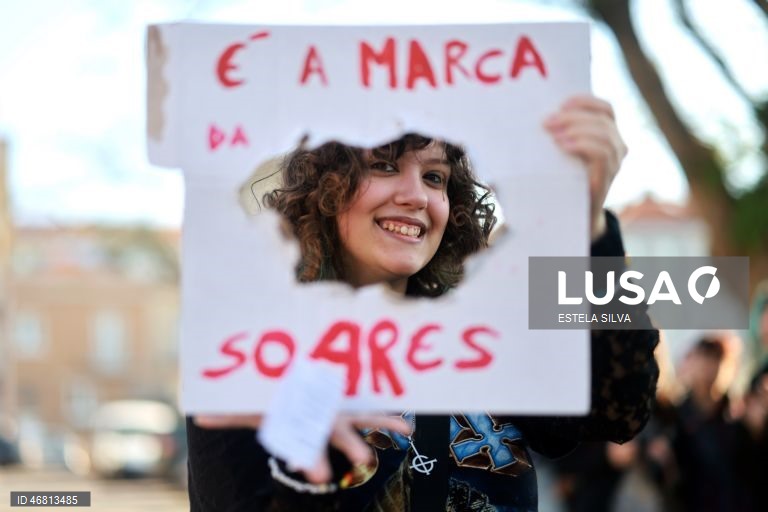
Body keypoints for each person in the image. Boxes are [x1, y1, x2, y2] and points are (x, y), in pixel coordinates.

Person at [185, 95, 660, 511]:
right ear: (325, 187)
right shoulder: (254, 350)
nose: (416, 196)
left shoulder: (485, 335)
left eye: (435, 177)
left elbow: (618, 411)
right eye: (384, 165)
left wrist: (588, 226)